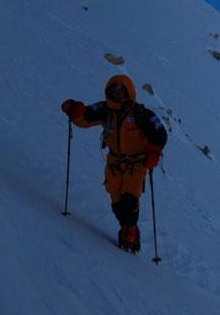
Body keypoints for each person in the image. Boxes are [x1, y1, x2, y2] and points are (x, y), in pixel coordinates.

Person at [61, 75, 167, 252]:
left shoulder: (141, 114)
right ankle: (125, 228)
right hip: (114, 163)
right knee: (116, 202)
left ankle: (131, 233)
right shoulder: (105, 109)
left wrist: (154, 151)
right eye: (114, 91)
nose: (117, 94)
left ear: (129, 92)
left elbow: (159, 132)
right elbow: (85, 117)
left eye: (121, 91)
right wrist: (75, 110)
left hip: (137, 163)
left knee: (129, 199)